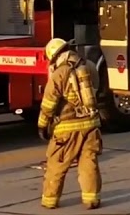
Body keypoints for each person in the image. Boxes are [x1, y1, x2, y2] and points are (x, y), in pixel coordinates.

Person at [38, 38, 102, 210]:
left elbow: (49, 103)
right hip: (91, 125)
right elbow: (97, 90)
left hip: (67, 128)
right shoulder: (88, 65)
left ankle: (49, 200)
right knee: (89, 163)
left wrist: (42, 125)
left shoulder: (61, 72)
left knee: (56, 165)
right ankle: (92, 199)